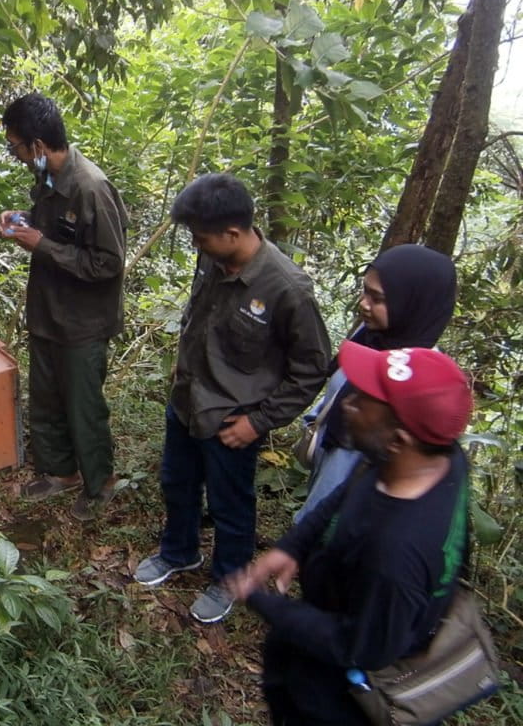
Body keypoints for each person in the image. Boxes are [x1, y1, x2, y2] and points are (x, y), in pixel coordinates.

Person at [227, 342, 474, 726]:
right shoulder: (438, 458)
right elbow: (348, 493)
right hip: (322, 628)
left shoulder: (394, 554)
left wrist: (266, 603)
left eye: (362, 400)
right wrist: (295, 544)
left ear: (398, 440)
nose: (346, 401)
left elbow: (363, 647)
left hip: (336, 693)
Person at [134, 173, 329, 622]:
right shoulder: (211, 257)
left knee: (230, 504)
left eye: (202, 238)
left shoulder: (286, 288)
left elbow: (312, 367)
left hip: (232, 419)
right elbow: (196, 313)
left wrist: (258, 422)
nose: (197, 246)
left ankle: (229, 577)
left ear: (234, 233)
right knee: (177, 483)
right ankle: (179, 552)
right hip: (186, 401)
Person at [0, 93, 129, 521]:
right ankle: (60, 472)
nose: (14, 154)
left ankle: (99, 483)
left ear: (36, 145)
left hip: (83, 321)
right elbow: (51, 232)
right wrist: (22, 223)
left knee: (83, 405)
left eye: (15, 145)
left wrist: (42, 245)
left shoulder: (91, 187)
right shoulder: (47, 179)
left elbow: (108, 263)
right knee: (47, 398)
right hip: (49, 311)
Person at [295, 243, 457, 522]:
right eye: (364, 291)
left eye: (376, 298)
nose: (363, 304)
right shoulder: (370, 336)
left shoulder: (417, 380)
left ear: (412, 304)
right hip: (328, 470)